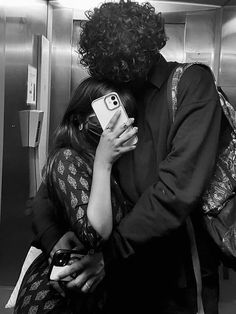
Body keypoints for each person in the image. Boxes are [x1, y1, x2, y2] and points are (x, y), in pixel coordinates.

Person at [31, 1, 224, 313]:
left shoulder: (191, 85)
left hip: (176, 278)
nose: (118, 77)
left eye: (125, 65)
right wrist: (54, 239)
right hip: (116, 280)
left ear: (148, 49)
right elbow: (53, 186)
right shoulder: (110, 99)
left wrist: (108, 257)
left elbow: (174, 192)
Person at [14, 77, 138, 314]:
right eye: (105, 119)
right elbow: (95, 234)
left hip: (96, 293)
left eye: (123, 117)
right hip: (57, 297)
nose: (115, 128)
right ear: (79, 120)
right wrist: (103, 162)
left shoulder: (123, 169)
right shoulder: (68, 159)